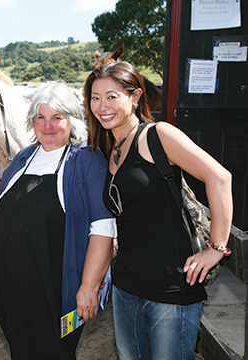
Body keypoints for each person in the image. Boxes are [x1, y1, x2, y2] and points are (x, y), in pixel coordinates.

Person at [0, 80, 116, 359]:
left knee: (54, 353)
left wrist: (89, 287)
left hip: (54, 290)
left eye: (57, 118)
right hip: (11, 288)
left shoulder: (86, 161)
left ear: (72, 120)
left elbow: (104, 228)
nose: (48, 126)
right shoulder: (25, 156)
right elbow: (5, 198)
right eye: (40, 118)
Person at [84, 61, 233, 360]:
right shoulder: (109, 148)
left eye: (112, 96)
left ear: (136, 97)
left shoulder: (158, 136)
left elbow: (220, 177)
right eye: (95, 98)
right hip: (126, 287)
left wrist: (216, 247)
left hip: (172, 289)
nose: (102, 106)